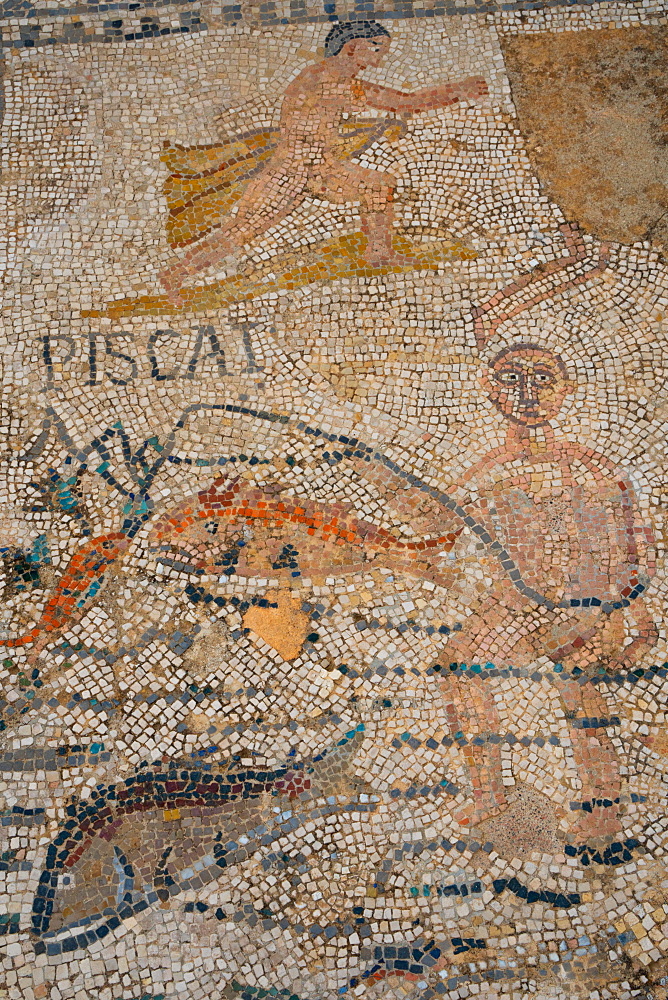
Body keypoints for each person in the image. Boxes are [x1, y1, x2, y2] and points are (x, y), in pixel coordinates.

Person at [159, 20, 488, 302]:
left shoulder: (333, 76)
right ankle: (176, 273)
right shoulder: (328, 78)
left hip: (320, 168)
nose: (381, 54)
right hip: (291, 171)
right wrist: (458, 90)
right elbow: (403, 103)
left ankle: (378, 252)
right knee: (242, 230)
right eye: (375, 46)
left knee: (378, 185)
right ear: (351, 46)